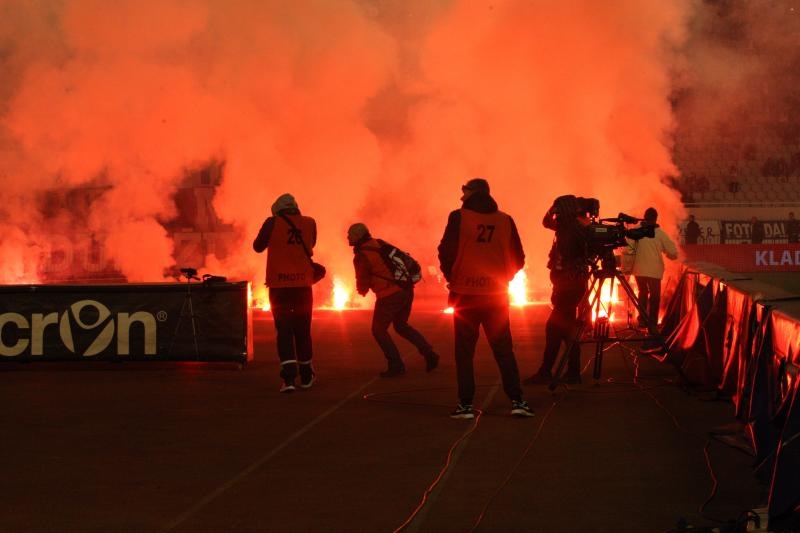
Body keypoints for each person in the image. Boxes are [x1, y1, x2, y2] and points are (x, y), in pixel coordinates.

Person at [437, 178, 534, 419]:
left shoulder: (458, 217)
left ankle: (466, 405)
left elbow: (445, 250)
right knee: (503, 350)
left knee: (464, 353)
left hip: (464, 295)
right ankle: (517, 401)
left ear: (473, 193)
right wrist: (505, 276)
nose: (462, 197)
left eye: (465, 192)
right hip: (496, 296)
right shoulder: (505, 220)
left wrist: (452, 276)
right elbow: (519, 257)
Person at [348, 223, 439, 377]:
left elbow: (362, 281)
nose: (348, 237)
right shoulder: (379, 243)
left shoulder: (361, 255)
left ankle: (396, 365)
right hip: (406, 289)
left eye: (350, 234)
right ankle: (429, 353)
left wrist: (361, 291)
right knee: (401, 325)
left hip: (389, 295)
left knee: (378, 330)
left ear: (357, 236)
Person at [524, 194, 592, 386]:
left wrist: (553, 211)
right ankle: (570, 371)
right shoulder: (573, 226)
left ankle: (550, 371)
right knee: (565, 329)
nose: (556, 213)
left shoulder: (571, 229)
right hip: (568, 284)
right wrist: (552, 210)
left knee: (555, 328)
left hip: (568, 285)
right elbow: (546, 222)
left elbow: (549, 224)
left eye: (558, 208)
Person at [253, 193, 317, 393]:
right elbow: (311, 244)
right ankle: (306, 376)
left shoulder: (272, 223)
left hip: (279, 287)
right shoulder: (310, 222)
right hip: (303, 286)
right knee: (303, 330)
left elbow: (257, 247)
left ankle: (288, 380)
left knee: (284, 332)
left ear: (276, 210)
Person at [625, 207, 678, 334]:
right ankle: (652, 325)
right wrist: (670, 255)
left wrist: (627, 268)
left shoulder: (636, 231)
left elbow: (628, 251)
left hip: (639, 271)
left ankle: (642, 319)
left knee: (642, 293)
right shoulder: (660, 233)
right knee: (654, 297)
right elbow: (673, 252)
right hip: (654, 272)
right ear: (655, 219)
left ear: (644, 217)